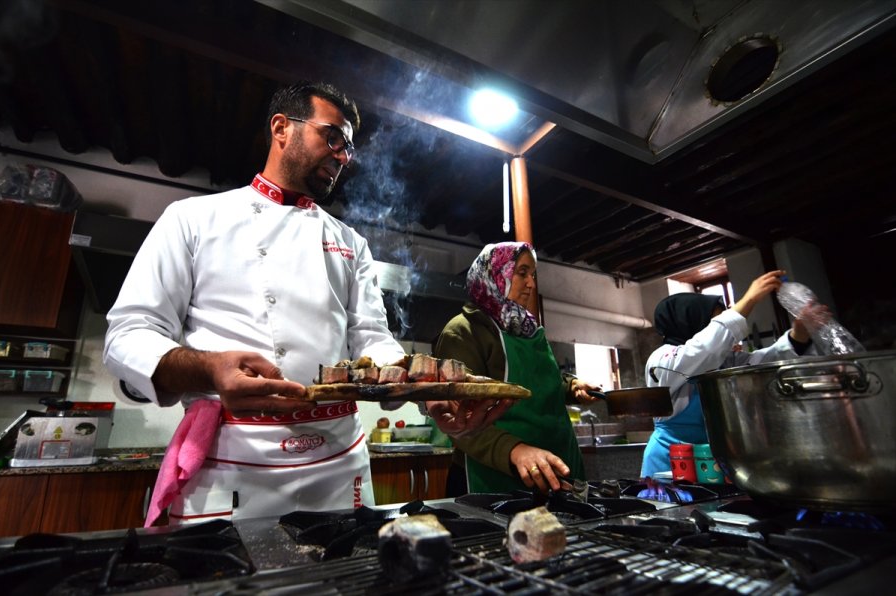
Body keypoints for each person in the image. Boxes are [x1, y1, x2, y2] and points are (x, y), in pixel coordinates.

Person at [103, 81, 512, 526]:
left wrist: (423, 393)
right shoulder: (193, 219)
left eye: (348, 148)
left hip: (339, 463)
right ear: (281, 128)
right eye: (332, 137)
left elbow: (372, 338)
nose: (343, 156)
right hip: (236, 459)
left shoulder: (349, 242)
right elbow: (128, 335)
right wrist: (208, 368)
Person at [433, 242, 601, 495]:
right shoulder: (464, 331)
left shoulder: (527, 327)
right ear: (495, 272)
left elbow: (538, 382)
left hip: (556, 465)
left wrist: (571, 386)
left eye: (532, 275)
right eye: (522, 272)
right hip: (496, 477)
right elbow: (459, 417)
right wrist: (514, 450)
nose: (531, 284)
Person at [640, 270, 825, 477]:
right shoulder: (661, 360)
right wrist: (749, 299)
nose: (721, 331)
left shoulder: (724, 361)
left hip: (710, 460)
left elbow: (763, 364)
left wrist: (797, 336)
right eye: (715, 321)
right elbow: (704, 350)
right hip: (668, 464)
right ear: (692, 322)